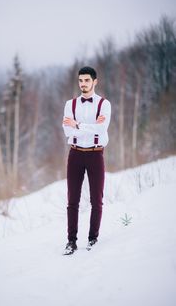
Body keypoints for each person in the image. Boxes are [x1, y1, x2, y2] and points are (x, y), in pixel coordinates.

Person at [62, 66, 111, 255]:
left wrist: (79, 125)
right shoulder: (70, 105)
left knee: (96, 200)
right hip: (75, 154)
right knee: (72, 200)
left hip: (95, 154)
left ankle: (93, 238)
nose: (83, 84)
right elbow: (68, 130)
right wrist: (89, 127)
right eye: (80, 80)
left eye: (87, 80)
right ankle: (71, 241)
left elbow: (101, 129)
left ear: (94, 81)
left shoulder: (104, 104)